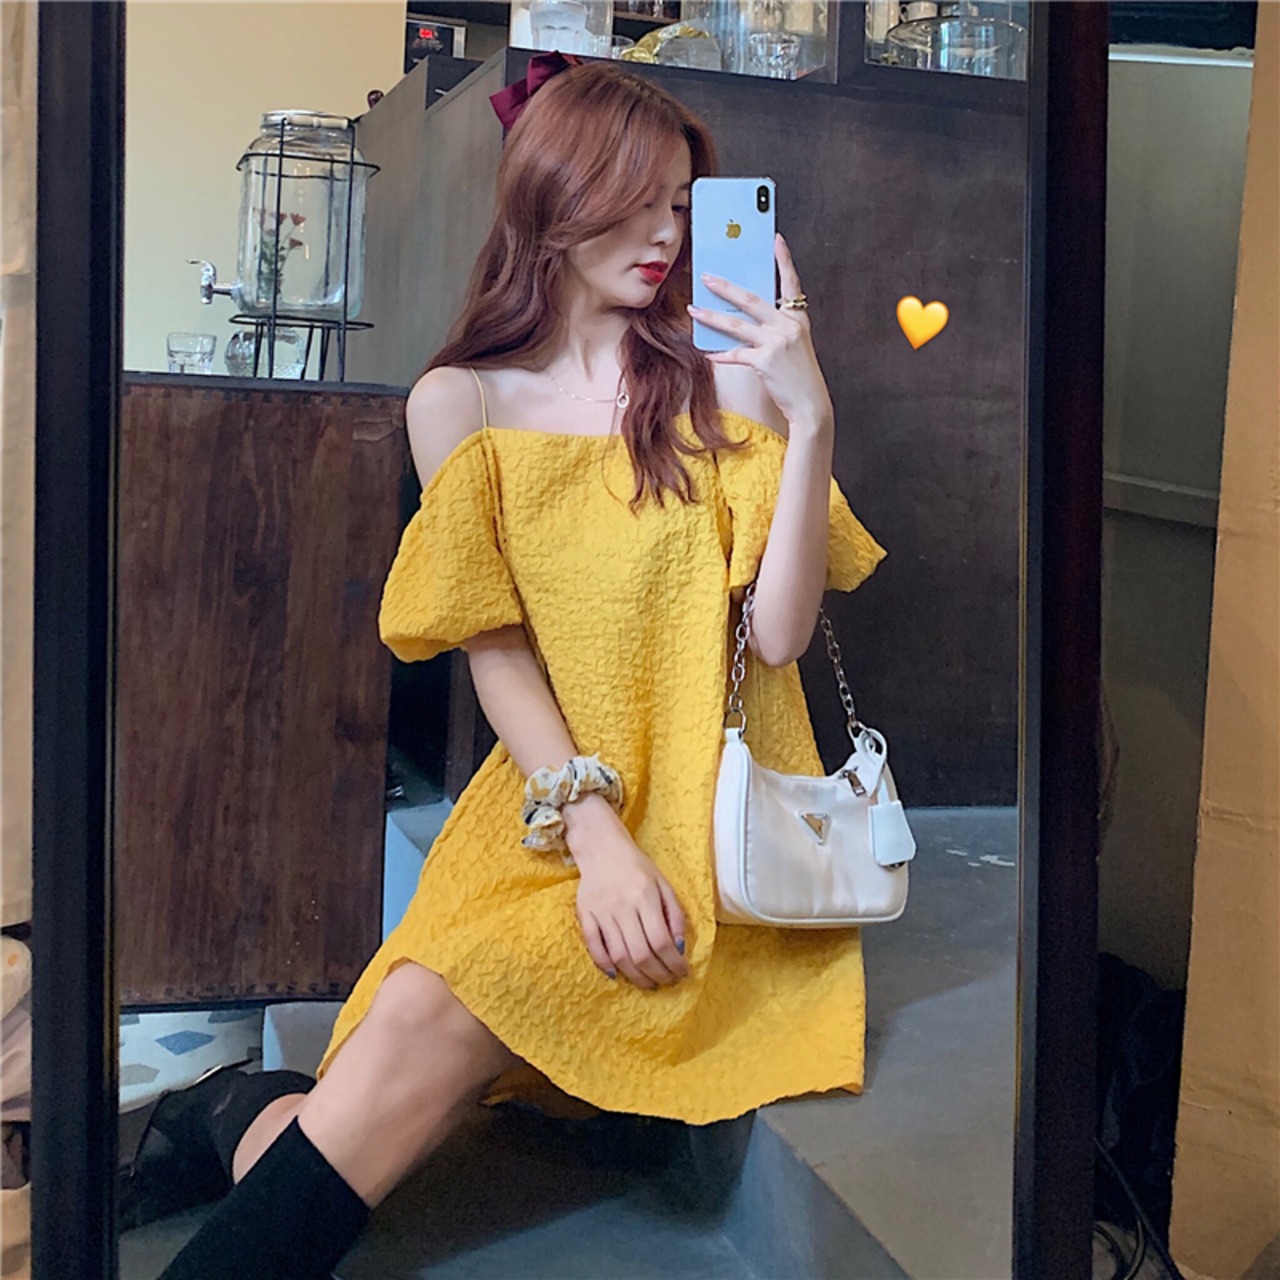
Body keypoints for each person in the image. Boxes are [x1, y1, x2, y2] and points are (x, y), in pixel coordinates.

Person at [143, 55, 885, 1280]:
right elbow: (496, 655)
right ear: (551, 199)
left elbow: (778, 638)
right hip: (552, 809)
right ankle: (233, 1113)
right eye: (633, 202)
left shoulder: (726, 378)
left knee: (407, 1041)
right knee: (408, 1031)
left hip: (707, 827)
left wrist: (809, 419)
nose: (664, 234)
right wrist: (595, 841)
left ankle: (230, 1110)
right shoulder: (460, 403)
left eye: (678, 204)